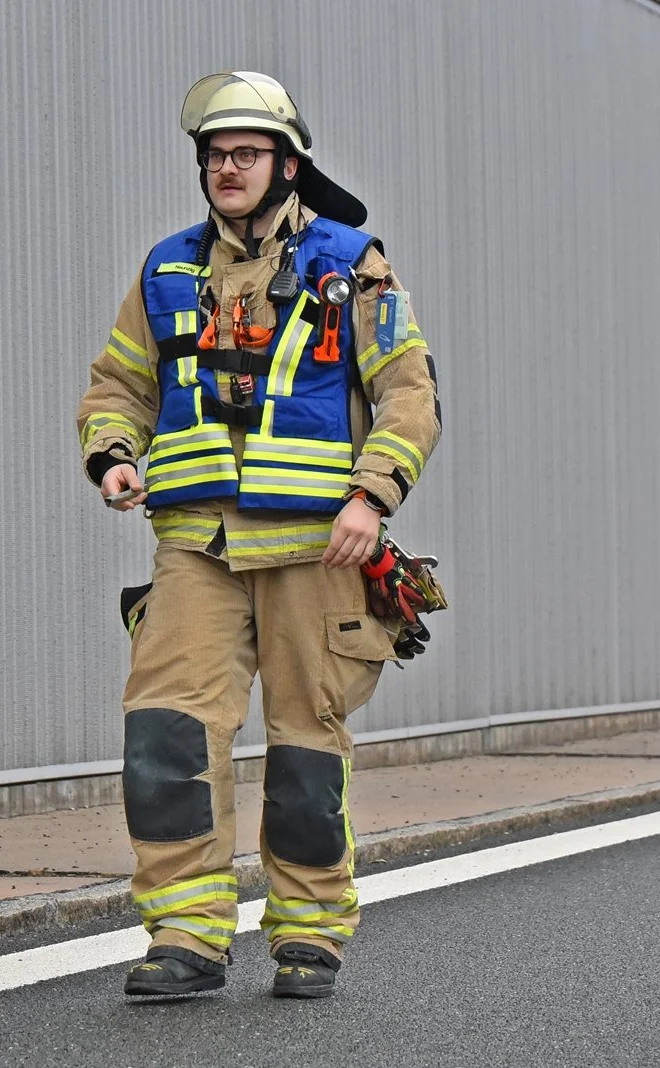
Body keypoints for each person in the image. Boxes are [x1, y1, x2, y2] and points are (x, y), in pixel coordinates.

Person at [76, 71, 441, 1000]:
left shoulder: (352, 263)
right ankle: (188, 935)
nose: (225, 169)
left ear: (288, 165)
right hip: (194, 545)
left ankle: (310, 931)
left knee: (305, 748)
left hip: (317, 549)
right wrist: (114, 452)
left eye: (245, 153)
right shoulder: (164, 272)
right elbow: (119, 385)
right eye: (214, 155)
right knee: (165, 734)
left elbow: (409, 393)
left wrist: (372, 495)